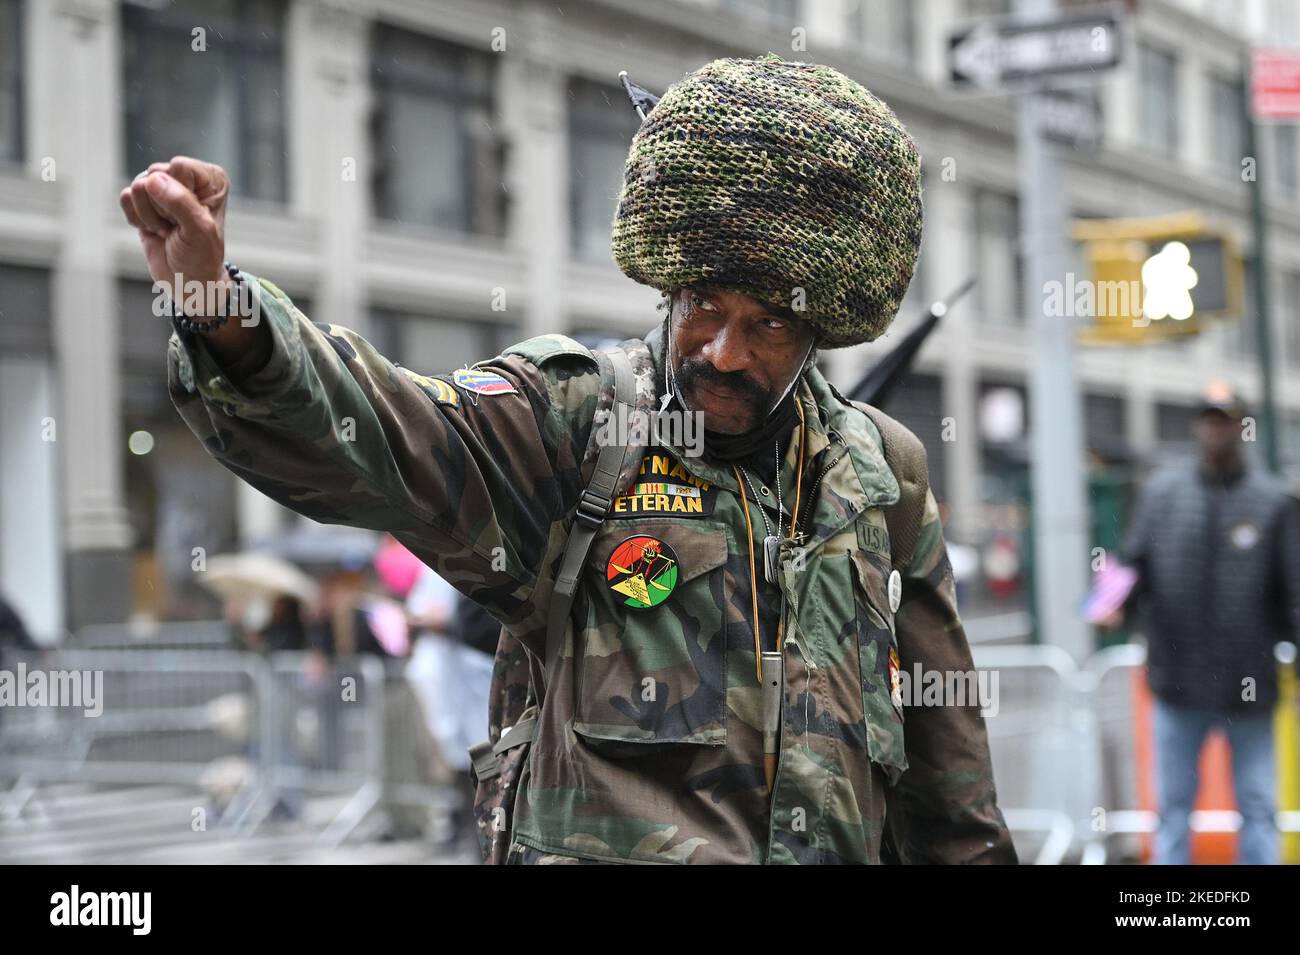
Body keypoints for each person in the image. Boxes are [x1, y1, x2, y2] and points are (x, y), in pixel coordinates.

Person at [121, 55, 1014, 864]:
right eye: (704, 303)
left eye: (771, 323)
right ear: (669, 280)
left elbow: (950, 777)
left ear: (821, 331)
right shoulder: (578, 418)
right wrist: (219, 307)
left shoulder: (879, 473)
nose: (727, 350)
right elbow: (385, 428)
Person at [1112, 383, 1300, 865]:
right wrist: (1108, 605)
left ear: (1242, 427)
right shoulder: (1161, 494)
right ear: (1200, 426)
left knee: (1258, 805)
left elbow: (1295, 590)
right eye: (1209, 419)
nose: (1216, 429)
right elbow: (1131, 567)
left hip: (1250, 685)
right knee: (1173, 809)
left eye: (1226, 420)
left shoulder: (1275, 501)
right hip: (1177, 684)